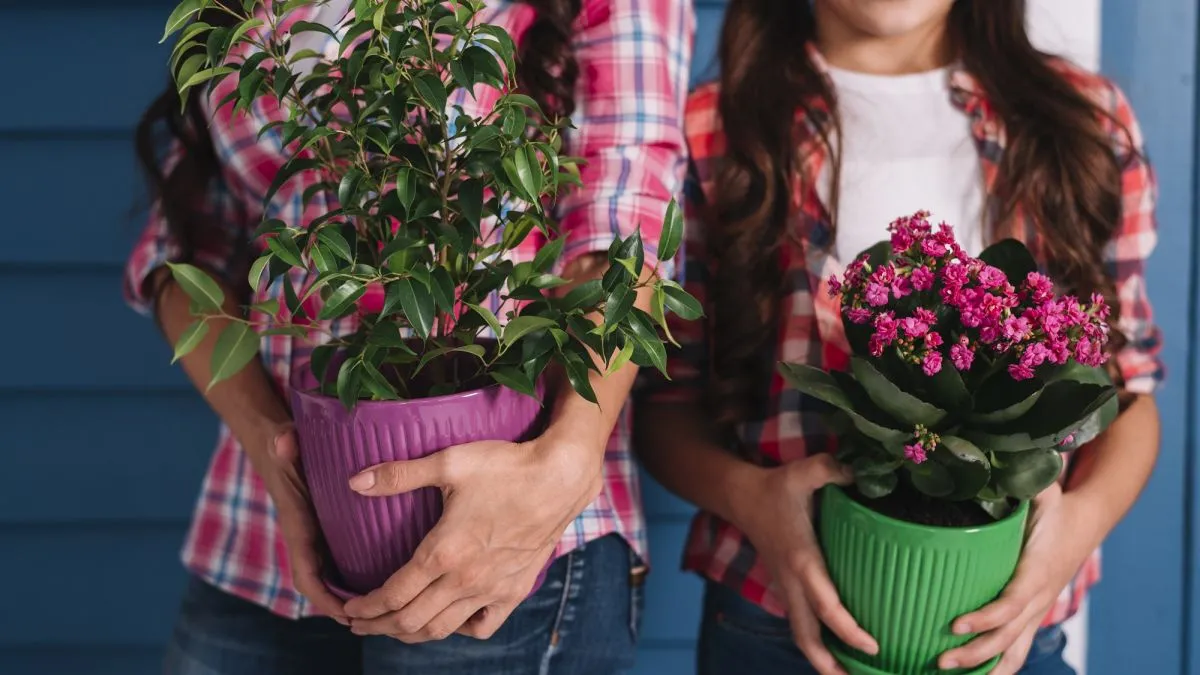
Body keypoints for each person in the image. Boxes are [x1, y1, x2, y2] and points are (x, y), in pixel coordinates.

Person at [125, 0, 693, 672]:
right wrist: (274, 450)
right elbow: (185, 254)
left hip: (497, 524)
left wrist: (568, 454)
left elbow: (627, 217)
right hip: (265, 528)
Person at [635, 1, 1163, 674]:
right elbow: (663, 405)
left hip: (1006, 633)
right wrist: (754, 500)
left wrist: (1076, 530)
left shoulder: (1084, 122)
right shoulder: (712, 129)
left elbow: (1128, 392)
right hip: (774, 623)